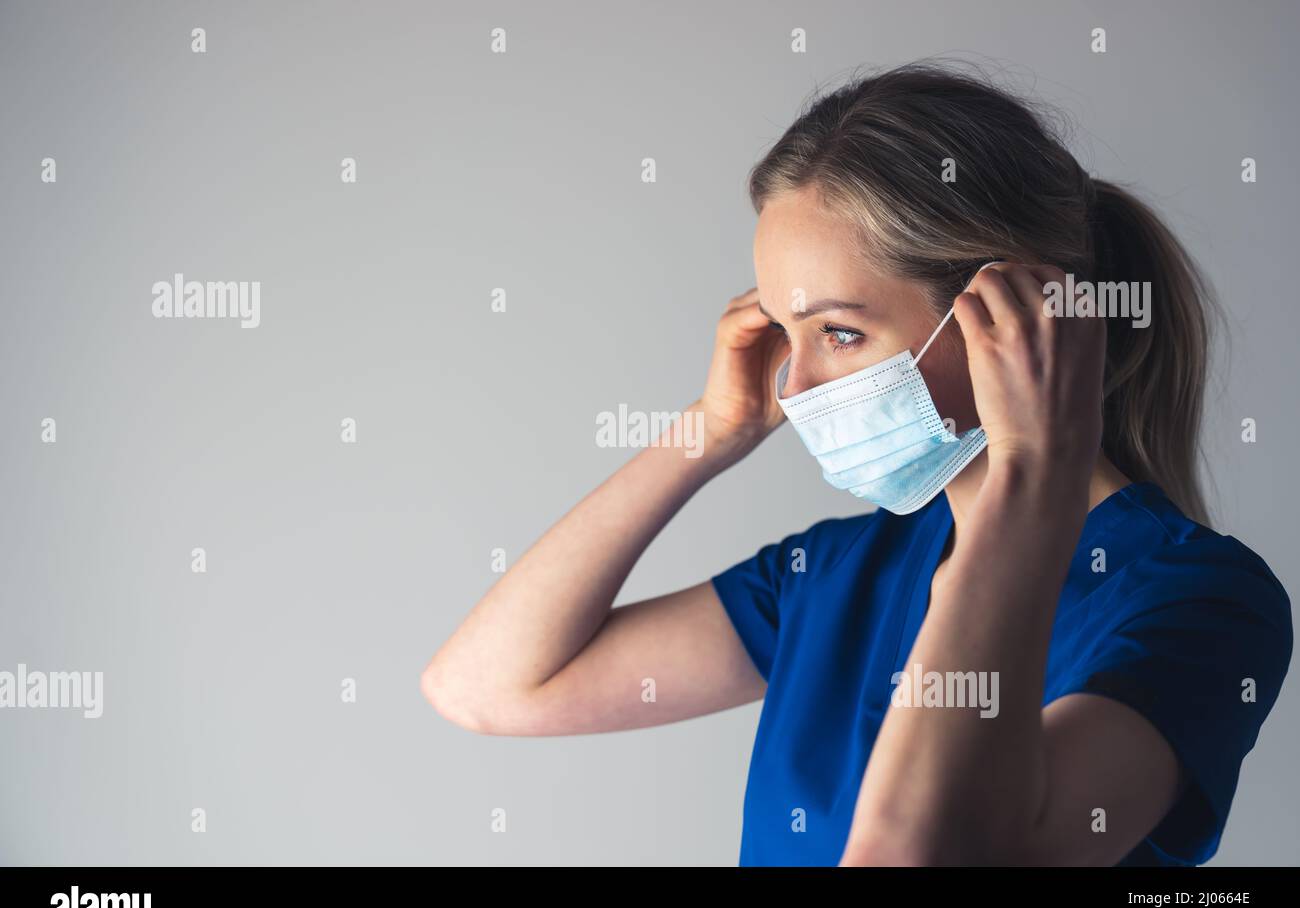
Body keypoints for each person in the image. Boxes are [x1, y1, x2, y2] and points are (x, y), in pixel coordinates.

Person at [419, 62, 1293, 866]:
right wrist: (709, 431)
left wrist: (1034, 475)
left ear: (1021, 316)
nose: (795, 382)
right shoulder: (831, 572)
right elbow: (490, 687)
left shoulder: (1200, 603)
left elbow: (918, 852)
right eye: (782, 331)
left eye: (839, 332)